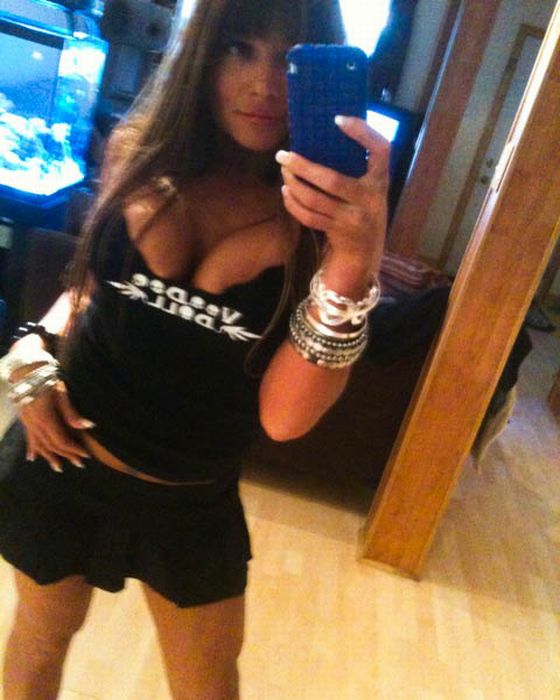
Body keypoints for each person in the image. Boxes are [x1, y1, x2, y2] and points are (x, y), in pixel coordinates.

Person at [0, 1, 390, 698]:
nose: (263, 84)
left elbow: (284, 420)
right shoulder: (137, 151)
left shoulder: (322, 225)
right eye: (238, 48)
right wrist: (30, 355)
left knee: (207, 687)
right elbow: (92, 289)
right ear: (200, 53)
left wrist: (354, 261)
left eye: (290, 58)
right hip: (61, 461)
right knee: (38, 640)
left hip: (188, 501)